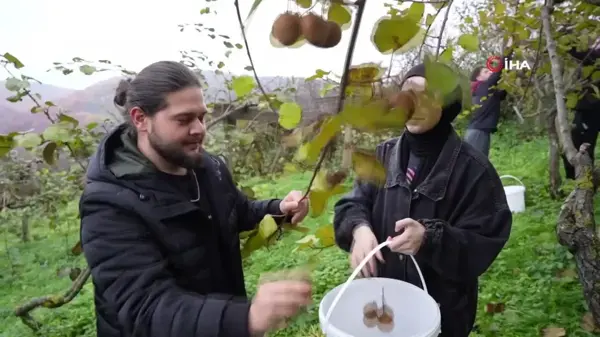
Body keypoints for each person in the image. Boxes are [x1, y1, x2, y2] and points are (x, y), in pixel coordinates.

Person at [79, 60, 312, 337]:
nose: (200, 129)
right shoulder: (109, 204)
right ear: (141, 118)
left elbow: (237, 211)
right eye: (184, 119)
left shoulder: (208, 168)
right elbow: (145, 308)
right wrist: (244, 317)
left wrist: (278, 209)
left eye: (201, 117)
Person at [333, 63, 513, 337]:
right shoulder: (383, 156)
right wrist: (359, 229)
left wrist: (430, 238)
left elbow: (484, 240)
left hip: (444, 312)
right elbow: (352, 203)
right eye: (407, 93)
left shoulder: (473, 171)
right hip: (387, 302)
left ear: (447, 105)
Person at [561, 35, 600, 179]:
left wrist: (564, 39)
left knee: (583, 142)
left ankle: (583, 177)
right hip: (588, 107)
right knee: (580, 141)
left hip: (592, 108)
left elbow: (582, 53)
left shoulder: (595, 57)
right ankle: (581, 177)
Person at [464, 45, 514, 157]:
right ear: (478, 78)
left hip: (480, 131)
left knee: (479, 164)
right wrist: (508, 50)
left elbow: (501, 95)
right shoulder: (483, 86)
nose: (490, 72)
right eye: (486, 72)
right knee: (478, 165)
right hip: (478, 132)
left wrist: (507, 77)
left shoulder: (486, 90)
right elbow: (498, 72)